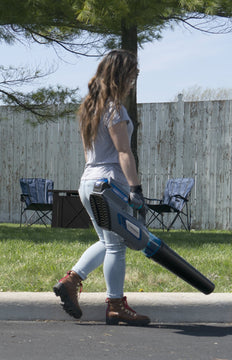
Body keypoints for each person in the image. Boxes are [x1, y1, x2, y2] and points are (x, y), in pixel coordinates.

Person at [53, 49, 150, 326]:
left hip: (88, 181)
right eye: (132, 73)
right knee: (117, 245)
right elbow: (123, 152)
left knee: (107, 242)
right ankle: (116, 304)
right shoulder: (114, 109)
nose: (135, 78)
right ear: (120, 75)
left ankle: (71, 281)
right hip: (109, 183)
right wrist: (136, 189)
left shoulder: (91, 107)